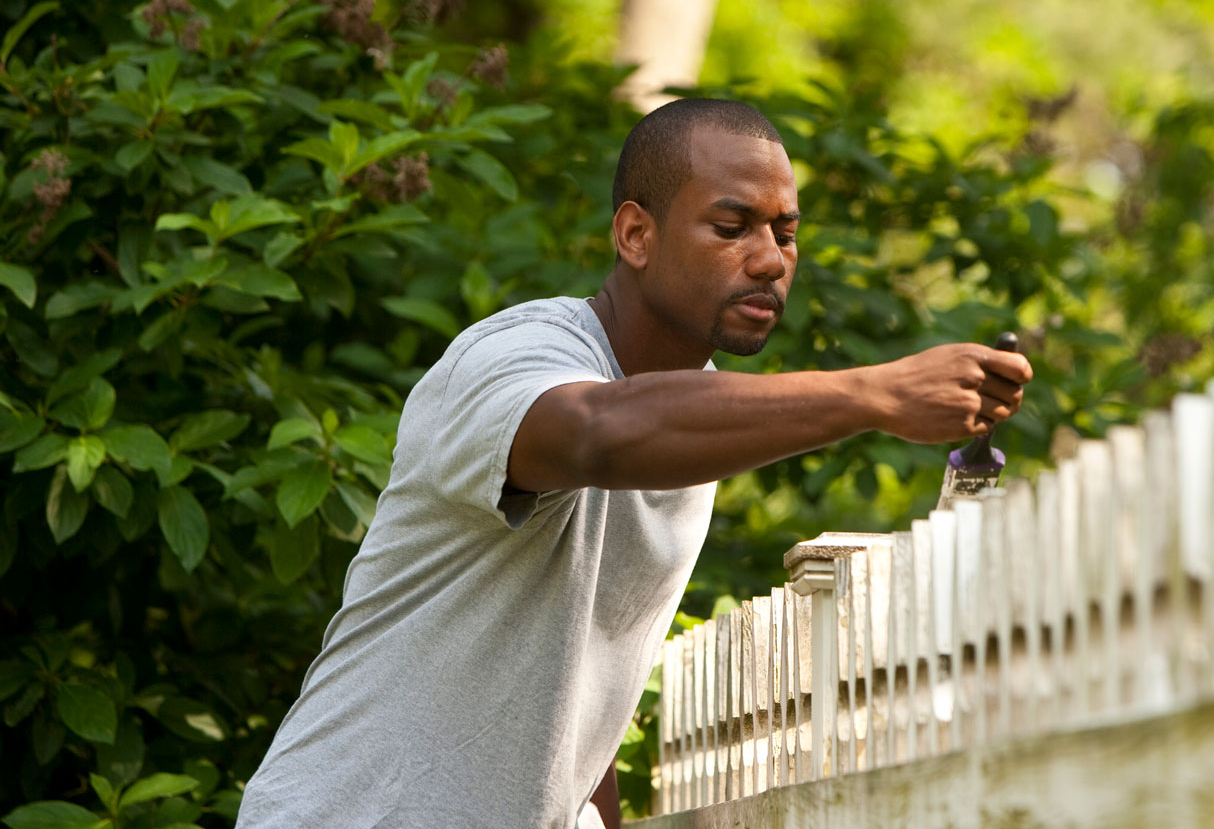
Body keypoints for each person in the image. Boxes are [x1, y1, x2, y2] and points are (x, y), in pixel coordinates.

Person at [236, 98, 1031, 829]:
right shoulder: (516, 357)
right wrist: (872, 393)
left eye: (784, 232)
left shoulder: (699, 425)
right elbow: (596, 434)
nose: (770, 260)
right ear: (636, 235)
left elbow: (581, 688)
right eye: (732, 228)